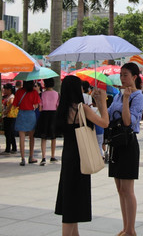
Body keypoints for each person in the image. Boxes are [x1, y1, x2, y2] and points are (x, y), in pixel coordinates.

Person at [54, 75, 109, 236]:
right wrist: (103, 103)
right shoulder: (82, 108)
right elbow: (104, 123)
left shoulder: (63, 109)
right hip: (81, 155)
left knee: (69, 196)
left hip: (68, 155)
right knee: (74, 199)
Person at [107, 62, 143, 236]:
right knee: (120, 189)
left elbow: (129, 122)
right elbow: (107, 116)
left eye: (125, 75)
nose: (122, 78)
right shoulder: (118, 95)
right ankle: (125, 227)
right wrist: (99, 100)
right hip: (116, 143)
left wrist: (126, 99)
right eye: (121, 75)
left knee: (128, 190)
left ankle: (131, 229)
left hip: (128, 143)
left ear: (135, 77)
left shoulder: (138, 96)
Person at [13, 81, 40, 166]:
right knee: (31, 137)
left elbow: (15, 104)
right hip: (31, 114)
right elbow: (36, 105)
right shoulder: (34, 92)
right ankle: (31, 157)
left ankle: (22, 158)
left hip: (21, 114)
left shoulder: (19, 92)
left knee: (22, 137)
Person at [37, 78, 60, 166]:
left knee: (44, 137)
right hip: (54, 115)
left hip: (44, 115)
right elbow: (58, 107)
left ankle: (43, 157)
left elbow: (40, 108)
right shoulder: (57, 94)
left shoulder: (41, 94)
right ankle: (53, 156)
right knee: (53, 137)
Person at [1, 83, 17, 154]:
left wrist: (6, 111)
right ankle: (13, 148)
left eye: (5, 89)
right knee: (10, 133)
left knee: (8, 133)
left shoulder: (11, 97)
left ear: (9, 90)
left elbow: (12, 103)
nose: (4, 90)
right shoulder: (8, 97)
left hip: (9, 117)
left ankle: (8, 149)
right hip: (8, 116)